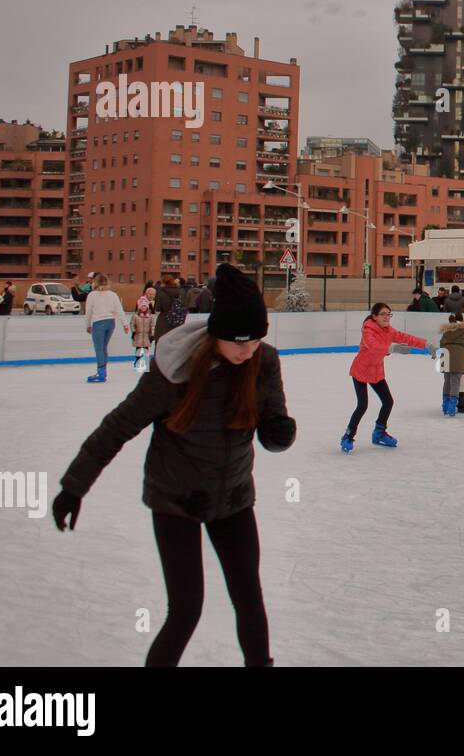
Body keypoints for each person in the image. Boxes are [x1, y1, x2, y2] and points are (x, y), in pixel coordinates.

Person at [52, 263, 296, 667]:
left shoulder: (263, 361)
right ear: (216, 332)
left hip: (233, 496)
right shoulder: (175, 369)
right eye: (238, 342)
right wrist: (73, 487)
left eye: (255, 341)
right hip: (176, 499)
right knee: (186, 608)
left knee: (249, 597)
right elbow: (117, 428)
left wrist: (279, 433)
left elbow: (273, 421)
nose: (246, 351)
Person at [341, 303, 428, 453]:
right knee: (362, 405)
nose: (387, 317)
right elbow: (374, 346)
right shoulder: (368, 331)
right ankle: (348, 436)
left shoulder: (389, 330)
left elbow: (406, 337)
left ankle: (379, 433)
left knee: (388, 402)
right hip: (361, 371)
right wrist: (392, 348)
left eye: (389, 314)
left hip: (376, 372)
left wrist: (427, 344)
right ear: (374, 317)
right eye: (383, 314)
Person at [83, 274, 129, 383]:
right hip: (110, 322)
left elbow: (88, 312)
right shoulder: (113, 295)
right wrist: (125, 324)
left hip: (98, 323)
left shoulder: (92, 295)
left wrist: (88, 325)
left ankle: (101, 372)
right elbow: (119, 310)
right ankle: (103, 371)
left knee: (99, 348)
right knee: (104, 347)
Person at [437, 312, 464, 416]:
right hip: (458, 357)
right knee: (455, 381)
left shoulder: (446, 330)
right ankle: (452, 406)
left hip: (446, 356)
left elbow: (441, 344)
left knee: (447, 381)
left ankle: (445, 405)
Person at [154, 276, 187, 341]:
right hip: (176, 320)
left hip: (164, 320)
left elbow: (157, 308)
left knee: (161, 343)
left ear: (164, 283)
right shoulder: (179, 291)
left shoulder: (161, 292)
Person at [131, 298, 156, 372]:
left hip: (146, 336)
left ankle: (146, 363)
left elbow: (153, 326)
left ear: (147, 307)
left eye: (145, 306)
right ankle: (137, 362)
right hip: (138, 335)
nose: (143, 308)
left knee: (146, 350)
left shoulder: (150, 316)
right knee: (138, 349)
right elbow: (132, 324)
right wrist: (133, 331)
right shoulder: (135, 316)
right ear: (139, 307)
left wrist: (152, 334)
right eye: (142, 306)